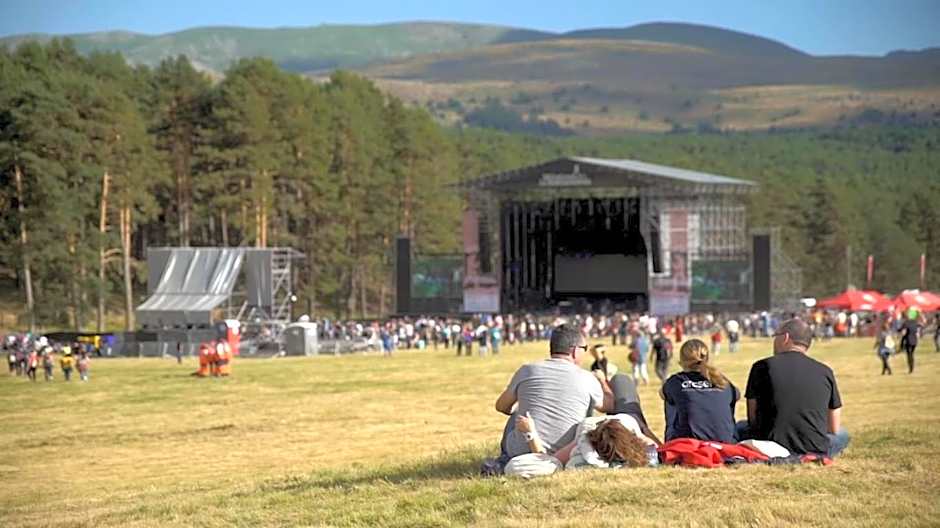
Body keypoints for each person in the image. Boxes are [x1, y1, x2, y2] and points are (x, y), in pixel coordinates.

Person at [494, 325, 610, 464]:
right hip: (566, 454)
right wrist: (603, 382)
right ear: (574, 351)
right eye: (584, 349)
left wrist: (521, 408)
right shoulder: (587, 378)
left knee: (517, 414)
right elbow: (607, 406)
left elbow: (501, 406)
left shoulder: (527, 370)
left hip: (520, 454)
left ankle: (504, 459)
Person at [738, 318, 849, 457]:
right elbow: (833, 427)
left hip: (769, 443)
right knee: (843, 433)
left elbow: (753, 418)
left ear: (785, 337)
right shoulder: (825, 371)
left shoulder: (761, 367)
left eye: (775, 336)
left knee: (740, 426)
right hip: (814, 447)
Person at [661, 339, 739, 443]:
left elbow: (662, 394)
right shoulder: (721, 380)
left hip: (689, 443)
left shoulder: (677, 381)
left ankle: (673, 442)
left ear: (682, 360)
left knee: (670, 400)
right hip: (726, 442)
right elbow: (737, 395)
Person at [899, 309, 922, 374]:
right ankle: (912, 368)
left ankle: (910, 369)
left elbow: (901, 330)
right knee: (912, 354)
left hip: (908, 340)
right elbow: (920, 326)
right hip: (914, 341)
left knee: (909, 355)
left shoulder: (906, 322)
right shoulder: (915, 322)